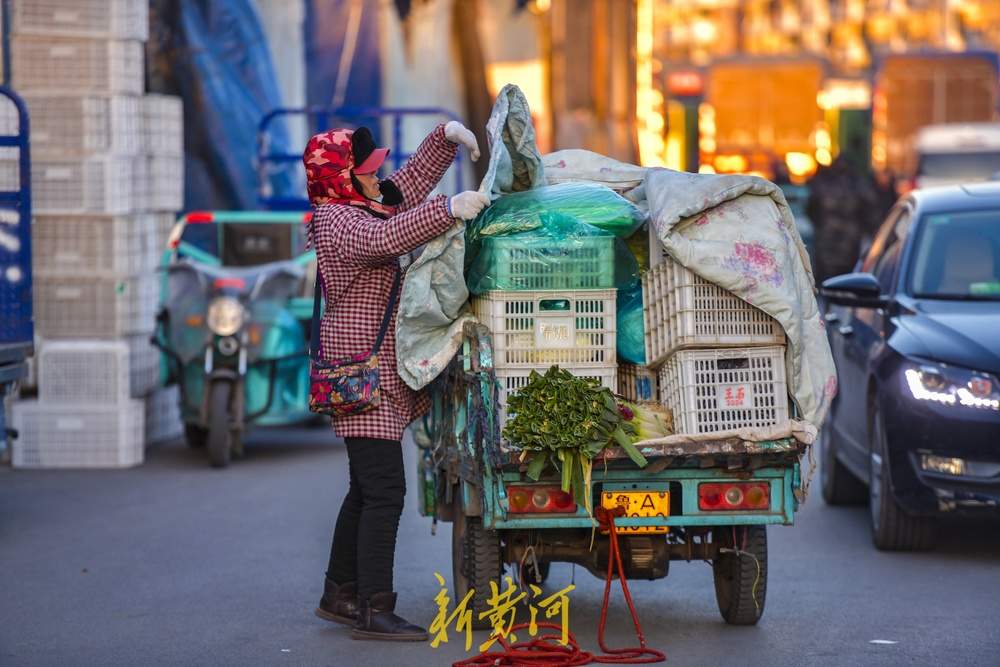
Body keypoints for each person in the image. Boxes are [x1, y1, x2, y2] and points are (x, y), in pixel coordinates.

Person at [303, 122, 489, 641]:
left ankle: (339, 594)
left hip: (371, 371)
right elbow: (386, 236)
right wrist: (447, 209)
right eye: (365, 170)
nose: (377, 175)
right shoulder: (337, 221)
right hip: (362, 374)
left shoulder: (361, 202)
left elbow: (402, 189)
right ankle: (373, 608)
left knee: (364, 490)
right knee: (385, 492)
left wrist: (444, 139)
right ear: (341, 178)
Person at [806, 154, 882, 284]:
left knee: (827, 274)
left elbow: (811, 206)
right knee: (845, 275)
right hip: (844, 234)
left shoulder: (825, 182)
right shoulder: (856, 183)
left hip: (831, 233)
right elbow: (870, 207)